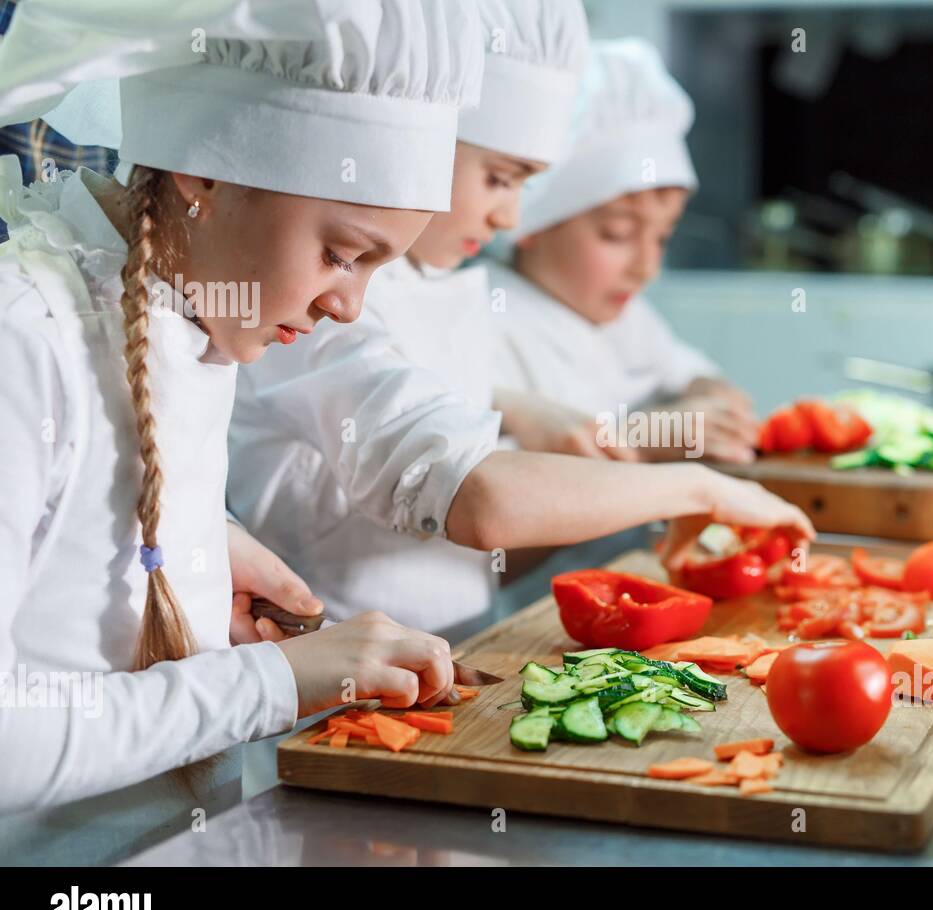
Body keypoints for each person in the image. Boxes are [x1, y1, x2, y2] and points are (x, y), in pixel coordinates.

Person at [0, 0, 487, 864]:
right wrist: (277, 682)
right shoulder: (23, 340)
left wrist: (193, 551)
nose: (348, 308)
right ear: (206, 179)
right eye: (342, 254)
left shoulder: (190, 312)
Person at [227, 7, 814, 637]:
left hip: (443, 657)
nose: (511, 219)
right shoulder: (313, 300)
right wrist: (695, 485)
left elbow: (418, 403)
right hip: (323, 697)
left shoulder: (436, 283)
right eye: (501, 178)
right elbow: (479, 498)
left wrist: (512, 407)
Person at [491, 39, 760, 465]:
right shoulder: (489, 319)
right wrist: (645, 435)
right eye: (617, 234)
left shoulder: (623, 316)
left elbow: (685, 368)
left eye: (661, 237)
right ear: (529, 223)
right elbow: (490, 476)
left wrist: (710, 393)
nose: (646, 268)